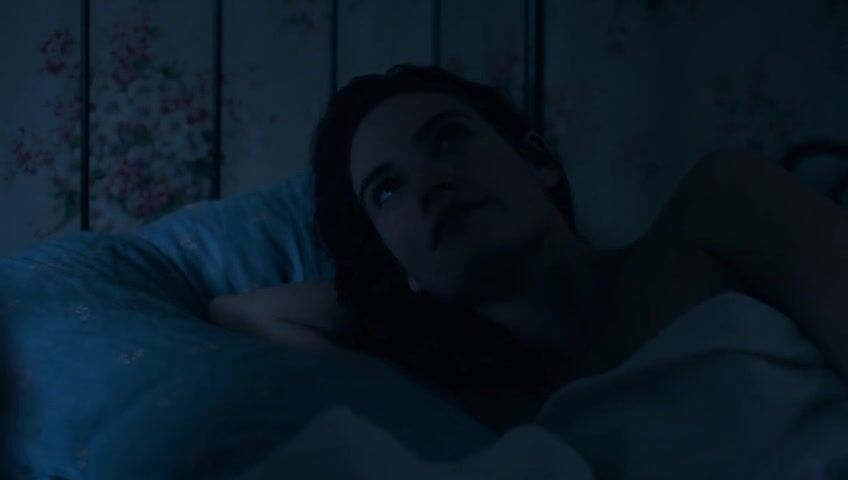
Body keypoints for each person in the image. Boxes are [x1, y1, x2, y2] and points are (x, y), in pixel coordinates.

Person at [209, 64, 848, 432]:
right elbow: (241, 314)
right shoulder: (480, 409)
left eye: (447, 139)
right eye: (388, 190)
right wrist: (386, 288)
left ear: (537, 162)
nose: (430, 183)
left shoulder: (718, 205)